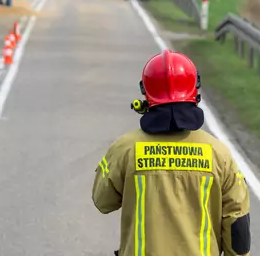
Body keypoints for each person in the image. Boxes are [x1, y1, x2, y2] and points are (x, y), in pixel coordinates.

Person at [92, 49, 251, 256]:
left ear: (146, 93)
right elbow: (237, 225)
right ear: (195, 92)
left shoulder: (125, 148)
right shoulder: (218, 154)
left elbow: (102, 201)